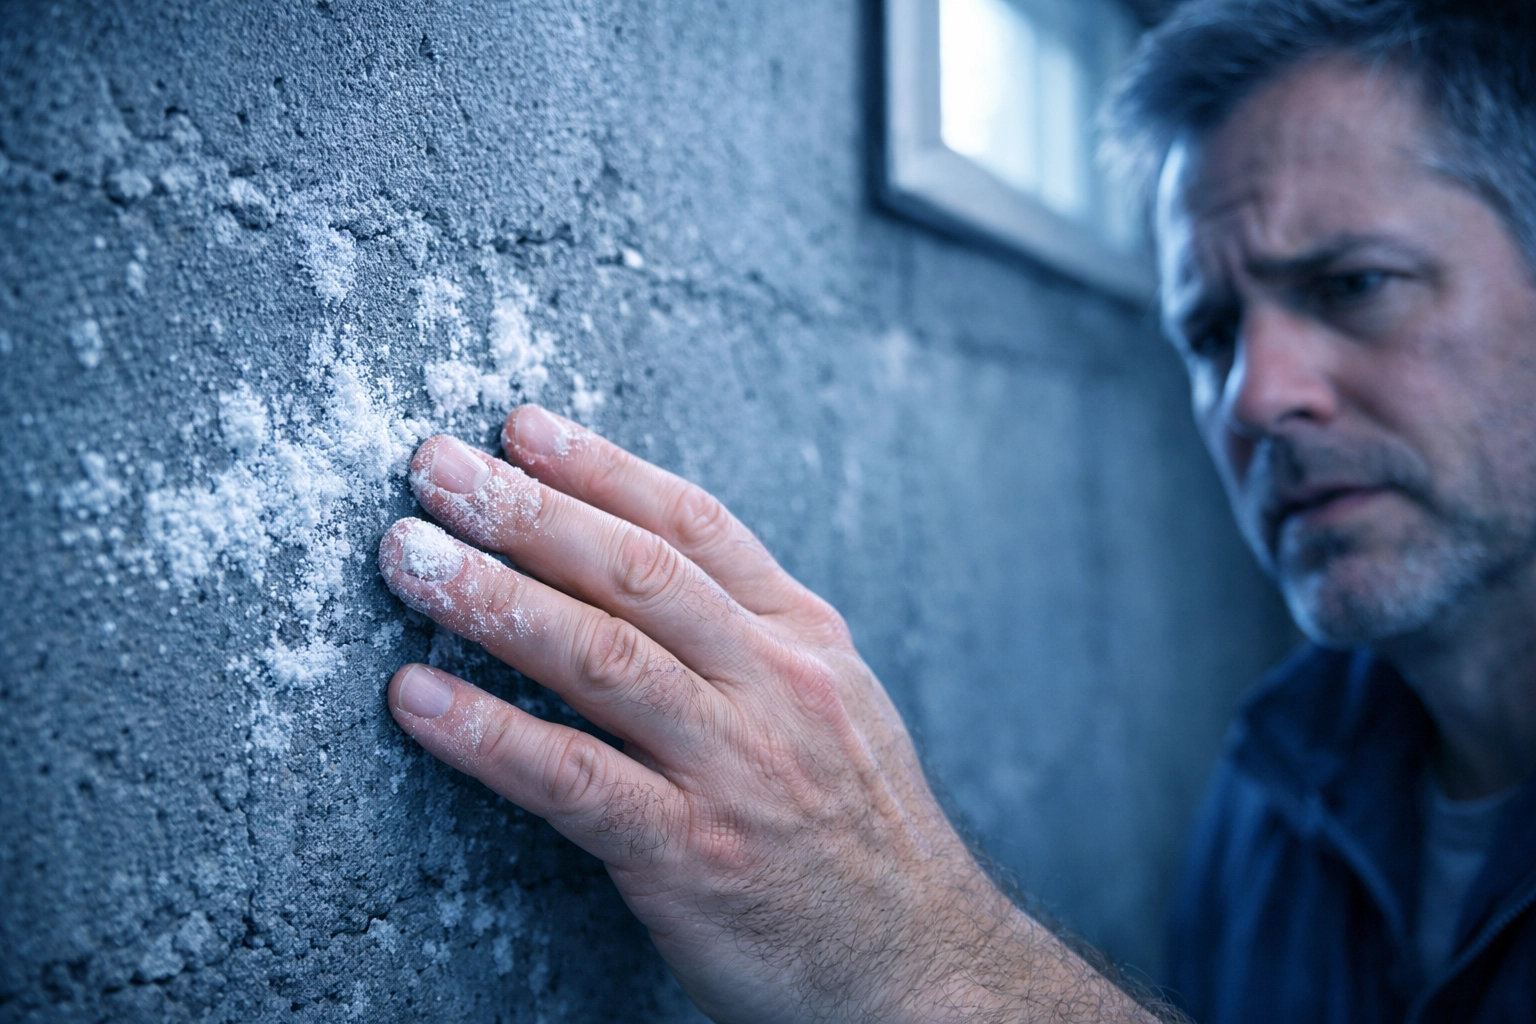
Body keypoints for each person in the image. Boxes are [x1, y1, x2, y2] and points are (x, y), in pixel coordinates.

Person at [374, 0, 1536, 1020]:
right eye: (1210, 334)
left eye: (1354, 285)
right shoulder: (1285, 772)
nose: (1258, 395)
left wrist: (922, 961)